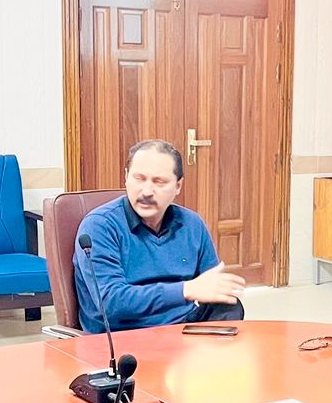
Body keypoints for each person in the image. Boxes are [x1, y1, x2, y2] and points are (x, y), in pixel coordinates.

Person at [74, 140, 245, 333]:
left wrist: (216, 289)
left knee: (228, 305)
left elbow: (211, 286)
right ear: (126, 177)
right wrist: (185, 290)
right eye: (139, 178)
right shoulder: (99, 226)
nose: (147, 192)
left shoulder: (192, 223)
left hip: (183, 327)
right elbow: (110, 303)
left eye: (159, 182)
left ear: (178, 186)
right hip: (126, 334)